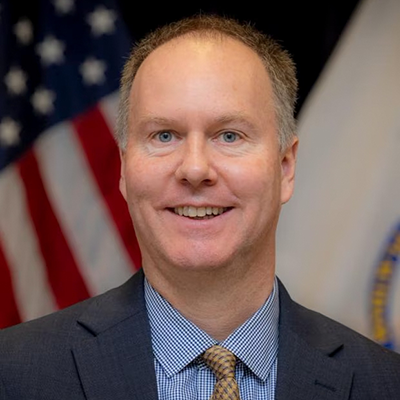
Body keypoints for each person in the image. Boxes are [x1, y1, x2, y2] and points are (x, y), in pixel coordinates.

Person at [1, 13, 399, 400]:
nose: (194, 168)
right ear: (123, 168)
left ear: (286, 167)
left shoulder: (384, 384)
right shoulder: (14, 374)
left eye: (229, 135)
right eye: (164, 135)